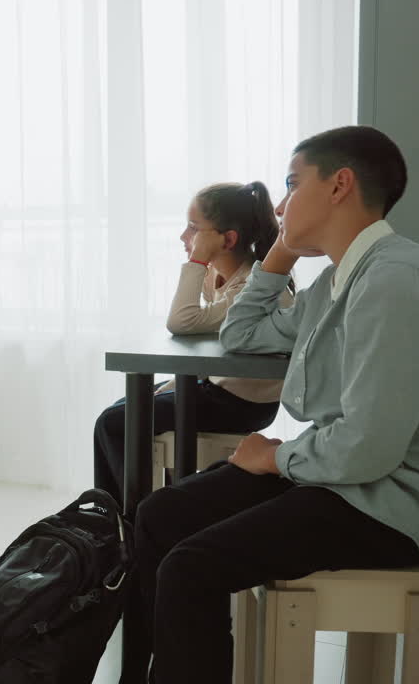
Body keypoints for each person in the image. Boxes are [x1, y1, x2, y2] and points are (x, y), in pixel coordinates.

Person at [123, 126, 419, 683]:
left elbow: (368, 448)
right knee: (160, 515)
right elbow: (242, 334)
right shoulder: (336, 282)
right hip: (348, 481)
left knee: (192, 566)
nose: (279, 204)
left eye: (291, 184)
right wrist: (277, 257)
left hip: (395, 506)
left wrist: (277, 459)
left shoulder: (397, 281)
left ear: (339, 185)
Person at [93, 182, 293, 507]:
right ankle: (126, 512)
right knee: (122, 409)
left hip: (240, 404)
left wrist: (197, 260)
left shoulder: (248, 289)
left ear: (228, 239)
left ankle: (127, 519)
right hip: (213, 389)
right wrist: (172, 385)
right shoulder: (223, 276)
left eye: (193, 228)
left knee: (114, 424)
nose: (184, 237)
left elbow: (182, 322)